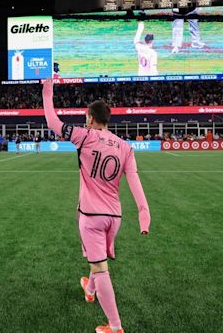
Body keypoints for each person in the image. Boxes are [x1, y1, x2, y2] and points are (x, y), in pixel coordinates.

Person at [42, 77, 151, 333]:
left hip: (91, 216)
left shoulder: (85, 136)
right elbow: (135, 183)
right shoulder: (125, 147)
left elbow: (52, 122)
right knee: (98, 258)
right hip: (115, 217)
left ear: (90, 117)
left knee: (100, 268)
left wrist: (48, 91)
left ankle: (115, 326)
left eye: (86, 116)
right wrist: (144, 216)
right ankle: (89, 289)